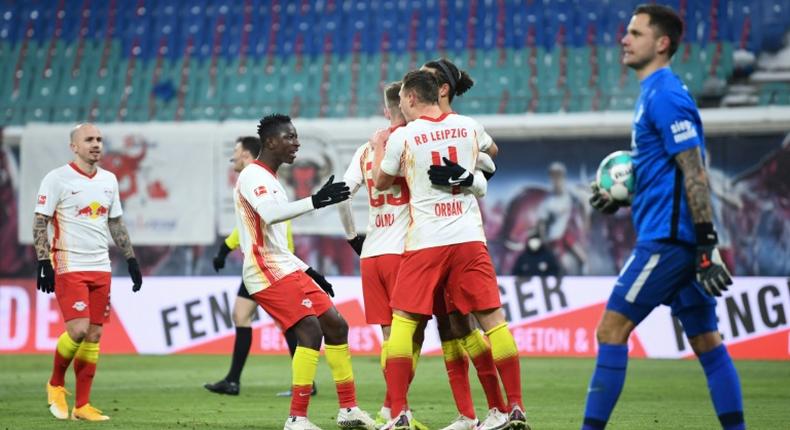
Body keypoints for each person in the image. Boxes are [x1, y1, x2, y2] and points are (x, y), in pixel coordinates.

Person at [582, 5, 744, 430]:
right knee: (708, 343)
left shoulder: (666, 95)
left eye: (635, 32)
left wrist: (707, 242)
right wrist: (620, 199)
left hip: (667, 242)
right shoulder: (652, 94)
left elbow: (694, 169)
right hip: (676, 238)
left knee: (610, 330)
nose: (625, 38)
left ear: (662, 43)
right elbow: (664, 175)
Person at [373, 70, 530, 430]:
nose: (400, 106)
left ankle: (397, 413)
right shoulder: (470, 125)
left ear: (411, 98)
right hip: (469, 239)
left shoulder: (405, 136)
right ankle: (515, 408)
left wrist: (384, 146)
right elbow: (491, 155)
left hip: (426, 240)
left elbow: (382, 182)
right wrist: (470, 176)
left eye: (401, 101)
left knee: (404, 322)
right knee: (493, 321)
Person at [235, 114, 375, 430]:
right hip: (263, 271)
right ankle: (297, 418)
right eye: (290, 137)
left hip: (284, 265)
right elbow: (269, 216)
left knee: (336, 325)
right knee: (310, 330)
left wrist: (310, 270)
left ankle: (349, 410)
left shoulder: (271, 180)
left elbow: (275, 242)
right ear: (270, 142)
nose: (296, 143)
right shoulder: (253, 176)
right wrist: (316, 200)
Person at [420, 58, 510, 430]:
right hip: (425, 238)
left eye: (425, 80)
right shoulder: (416, 126)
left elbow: (493, 154)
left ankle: (501, 408)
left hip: (457, 237)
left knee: (473, 322)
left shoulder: (464, 127)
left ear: (442, 89)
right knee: (450, 326)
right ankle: (468, 415)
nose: (416, 85)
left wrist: (474, 171)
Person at [337, 81, 429, 430]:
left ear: (385, 109)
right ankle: (396, 412)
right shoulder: (412, 143)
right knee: (411, 336)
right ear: (407, 105)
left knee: (392, 338)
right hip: (403, 252)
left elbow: (341, 194)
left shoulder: (365, 150)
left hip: (371, 253)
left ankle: (390, 412)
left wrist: (351, 237)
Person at [36, 123, 143, 421]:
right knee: (79, 329)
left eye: (99, 139)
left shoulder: (109, 180)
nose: (96, 144)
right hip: (70, 264)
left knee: (94, 335)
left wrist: (131, 259)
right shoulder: (57, 178)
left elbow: (116, 223)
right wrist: (43, 261)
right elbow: (40, 220)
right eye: (89, 140)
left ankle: (82, 406)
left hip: (101, 266)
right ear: (74, 146)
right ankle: (56, 383)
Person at [204, 136, 323, 397]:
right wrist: (227, 248)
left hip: (270, 263)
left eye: (236, 152)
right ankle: (234, 380)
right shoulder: (263, 181)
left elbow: (259, 224)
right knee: (243, 315)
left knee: (291, 322)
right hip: (264, 262)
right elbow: (250, 225)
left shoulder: (255, 180)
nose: (232, 158)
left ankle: (304, 384)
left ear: (247, 155)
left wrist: (225, 248)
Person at [536, 161, 588, 275]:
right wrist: (544, 240)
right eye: (554, 177)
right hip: (555, 237)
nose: (557, 180)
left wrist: (584, 222)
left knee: (583, 259)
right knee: (564, 266)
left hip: (567, 234)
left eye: (559, 176)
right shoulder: (548, 201)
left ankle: (584, 281)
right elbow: (541, 223)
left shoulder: (570, 193)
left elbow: (583, 203)